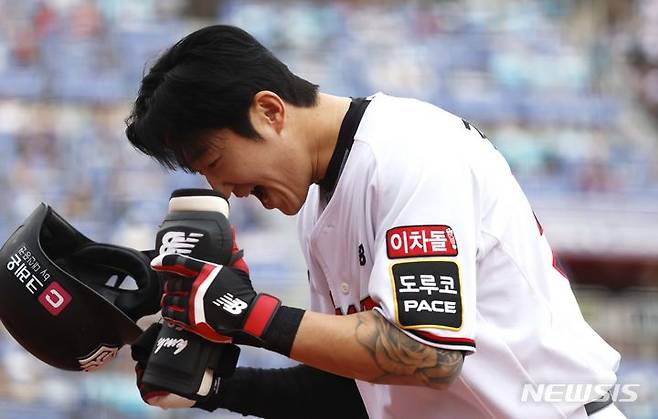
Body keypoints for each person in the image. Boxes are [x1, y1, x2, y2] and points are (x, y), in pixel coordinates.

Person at [125, 25, 625, 419]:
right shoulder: (318, 204)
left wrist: (245, 313)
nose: (223, 188)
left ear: (269, 111)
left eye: (212, 159)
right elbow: (355, 393)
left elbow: (426, 353)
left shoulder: (408, 151)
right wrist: (212, 386)